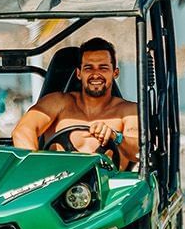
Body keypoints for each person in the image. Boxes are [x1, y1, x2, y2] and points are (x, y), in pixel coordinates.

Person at [11, 37, 139, 168]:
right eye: (89, 68)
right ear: (79, 73)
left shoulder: (129, 112)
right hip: (56, 184)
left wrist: (116, 137)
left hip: (110, 187)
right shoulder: (57, 103)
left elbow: (139, 152)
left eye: (103, 68)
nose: (95, 74)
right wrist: (36, 170)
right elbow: (23, 131)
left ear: (115, 73)